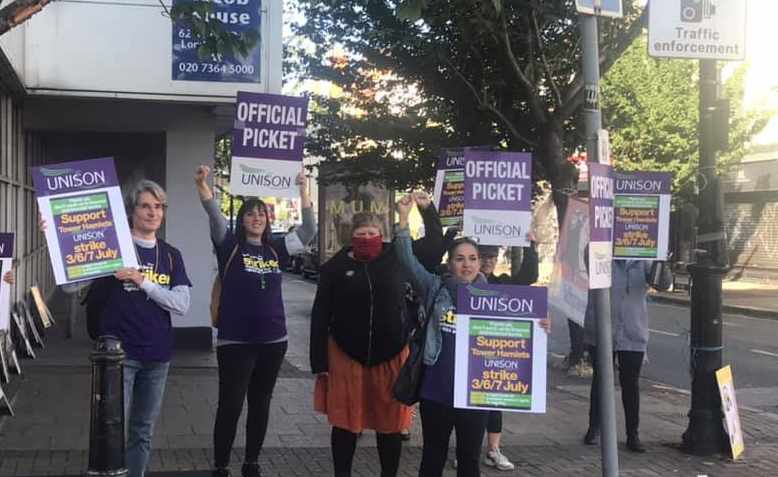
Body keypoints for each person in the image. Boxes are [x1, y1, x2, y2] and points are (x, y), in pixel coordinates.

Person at [42, 179, 192, 477]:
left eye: (158, 207)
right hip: (118, 358)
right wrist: (54, 242)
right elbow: (71, 286)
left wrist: (141, 280)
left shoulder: (171, 254)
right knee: (110, 433)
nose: (153, 212)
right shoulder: (112, 248)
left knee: (143, 431)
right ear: (131, 211)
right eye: (146, 206)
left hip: (158, 356)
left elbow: (181, 304)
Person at [395, 194, 550, 477]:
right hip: (437, 391)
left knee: (468, 462)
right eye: (459, 259)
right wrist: (404, 219)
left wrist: (539, 327)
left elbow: (523, 318)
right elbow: (406, 260)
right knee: (432, 459)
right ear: (450, 262)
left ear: (480, 263)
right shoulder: (434, 287)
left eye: (472, 259)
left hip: (475, 394)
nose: (466, 264)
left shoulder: (497, 294)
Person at [309, 190, 443, 477]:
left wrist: (426, 210)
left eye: (373, 232)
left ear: (382, 234)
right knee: (345, 424)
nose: (367, 237)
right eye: (361, 232)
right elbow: (320, 315)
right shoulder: (335, 267)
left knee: (391, 425)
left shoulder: (397, 256)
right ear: (351, 235)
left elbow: (434, 246)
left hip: (392, 354)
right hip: (346, 355)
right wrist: (319, 363)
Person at [194, 165, 316, 477]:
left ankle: (252, 462)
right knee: (230, 406)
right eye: (250, 213)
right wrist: (202, 184)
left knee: (261, 405)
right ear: (242, 220)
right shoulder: (229, 247)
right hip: (236, 341)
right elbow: (215, 216)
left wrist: (303, 189)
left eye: (261, 213)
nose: (257, 218)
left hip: (273, 342)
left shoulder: (277, 249)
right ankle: (221, 465)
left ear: (268, 219)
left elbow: (308, 231)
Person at [583, 260, 672, 453]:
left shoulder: (645, 260)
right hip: (602, 326)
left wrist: (661, 261)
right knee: (601, 379)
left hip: (633, 330)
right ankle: (594, 427)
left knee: (630, 383)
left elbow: (662, 283)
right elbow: (590, 262)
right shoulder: (601, 249)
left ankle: (633, 434)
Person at [476, 243, 538, 471]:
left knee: (494, 402)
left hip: (496, 351)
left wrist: (531, 246)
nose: (488, 261)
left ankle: (493, 450)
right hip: (472, 351)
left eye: (493, 256)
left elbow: (529, 276)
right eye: (483, 256)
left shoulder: (502, 282)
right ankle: (469, 449)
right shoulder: (460, 284)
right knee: (468, 407)